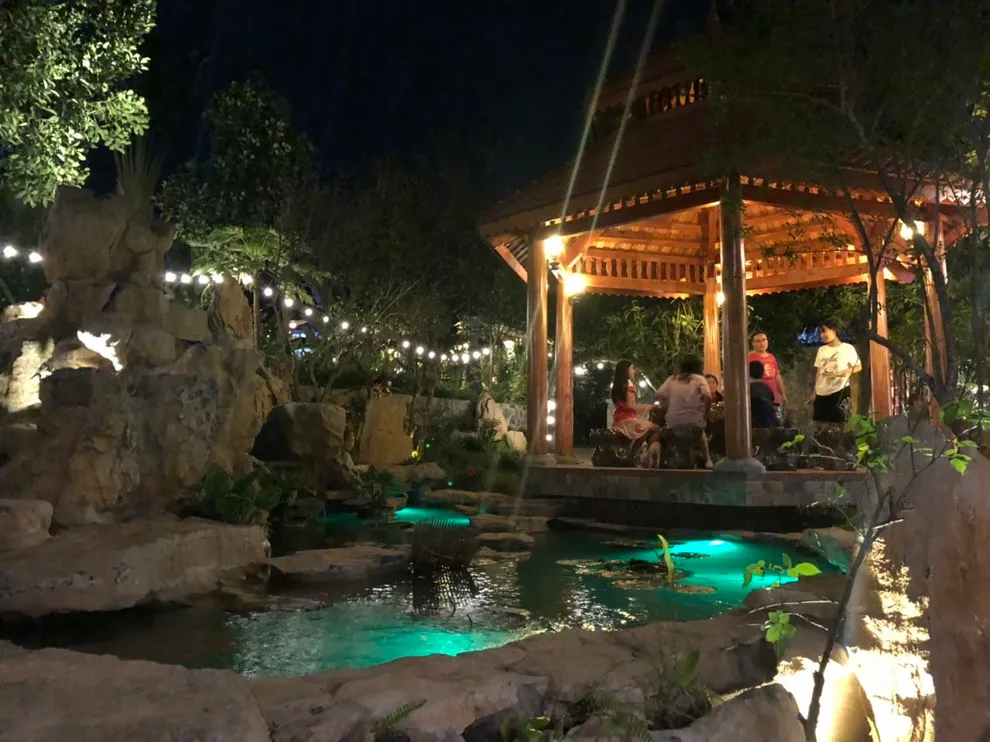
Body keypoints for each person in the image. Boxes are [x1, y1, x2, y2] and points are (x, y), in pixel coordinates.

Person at [656, 355, 714, 468]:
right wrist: (705, 414)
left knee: (679, 441)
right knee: (701, 431)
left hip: (673, 425)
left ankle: (679, 460)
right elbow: (708, 396)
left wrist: (667, 407)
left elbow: (660, 394)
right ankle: (708, 459)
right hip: (694, 425)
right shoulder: (699, 379)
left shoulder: (672, 379)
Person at [610, 360, 662, 466]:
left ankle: (633, 455)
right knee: (656, 428)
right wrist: (650, 407)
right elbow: (631, 406)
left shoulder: (616, 386)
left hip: (618, 420)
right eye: (632, 368)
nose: (634, 371)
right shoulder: (629, 385)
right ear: (626, 371)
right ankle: (635, 455)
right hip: (628, 421)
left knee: (645, 430)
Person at [809, 320, 861, 425]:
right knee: (822, 426)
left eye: (824, 331)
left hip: (840, 390)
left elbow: (858, 366)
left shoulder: (847, 348)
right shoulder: (821, 350)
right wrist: (814, 393)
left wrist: (848, 371)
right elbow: (819, 372)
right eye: (820, 333)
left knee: (842, 423)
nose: (822, 335)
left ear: (833, 330)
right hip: (821, 392)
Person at [748, 331, 787, 422]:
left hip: (773, 397)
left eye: (763, 340)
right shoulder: (749, 358)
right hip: (758, 397)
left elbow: (777, 376)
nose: (761, 343)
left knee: (775, 421)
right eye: (758, 341)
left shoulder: (771, 357)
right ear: (753, 343)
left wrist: (783, 394)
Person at [749, 360, 778, 429]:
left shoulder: (746, 390)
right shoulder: (767, 388)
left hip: (754, 426)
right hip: (771, 423)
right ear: (762, 373)